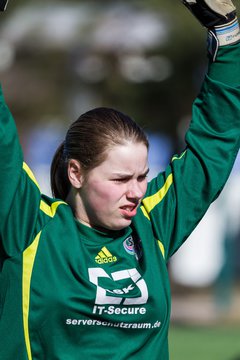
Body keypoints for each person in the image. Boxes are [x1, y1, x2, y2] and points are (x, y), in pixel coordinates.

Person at [0, 1, 240, 359]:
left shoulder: (155, 224)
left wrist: (228, 36)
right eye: (120, 178)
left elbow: (214, 142)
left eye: (142, 176)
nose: (136, 192)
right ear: (76, 173)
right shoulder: (28, 227)